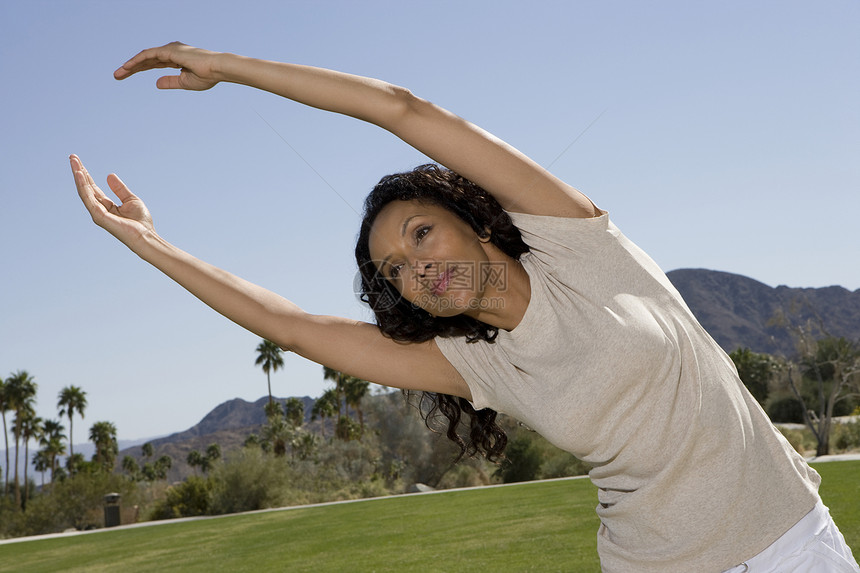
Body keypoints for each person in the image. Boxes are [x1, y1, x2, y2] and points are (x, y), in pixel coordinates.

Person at [71, 42, 859, 573]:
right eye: (395, 268)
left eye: (421, 232)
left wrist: (228, 67)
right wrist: (148, 242)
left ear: (475, 221)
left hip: (793, 542)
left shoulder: (581, 247)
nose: (416, 265)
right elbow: (289, 326)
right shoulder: (476, 363)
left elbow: (405, 110)